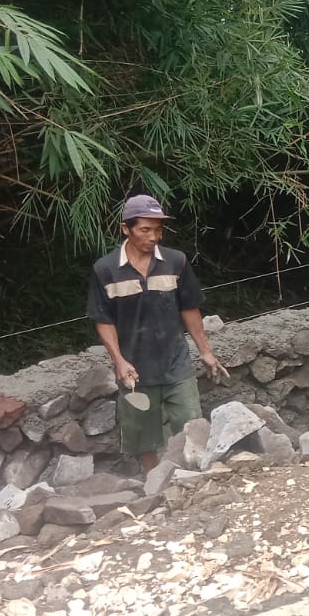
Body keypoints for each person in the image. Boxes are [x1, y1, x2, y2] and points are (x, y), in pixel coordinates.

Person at [87, 194, 228, 472]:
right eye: (145, 229)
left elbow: (190, 309)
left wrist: (206, 352)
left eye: (158, 230)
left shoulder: (176, 262)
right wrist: (118, 360)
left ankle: (195, 477)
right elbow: (103, 320)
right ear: (125, 228)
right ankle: (155, 482)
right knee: (143, 438)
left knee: (192, 425)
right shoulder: (106, 270)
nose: (154, 237)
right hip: (135, 371)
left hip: (176, 363)